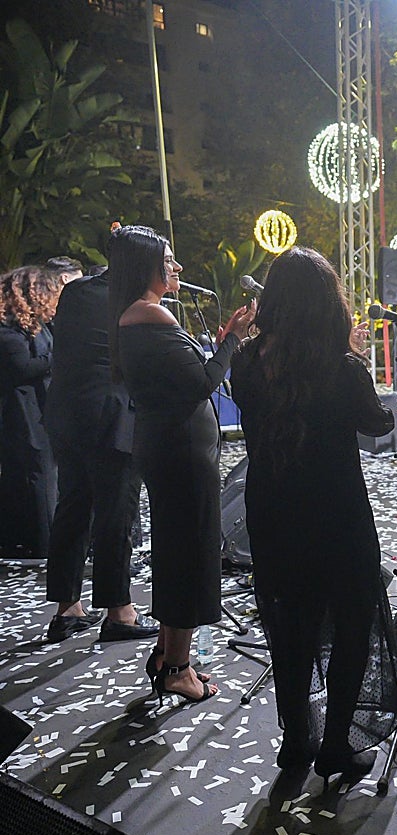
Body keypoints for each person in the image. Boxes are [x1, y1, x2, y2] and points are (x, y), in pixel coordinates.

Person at [230, 247, 397, 786]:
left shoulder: (244, 361)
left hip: (273, 514)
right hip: (336, 514)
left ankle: (294, 743)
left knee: (289, 625)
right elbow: (376, 426)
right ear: (330, 304)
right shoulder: (343, 368)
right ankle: (336, 746)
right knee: (352, 625)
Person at [110, 225, 255, 705]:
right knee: (188, 557)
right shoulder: (150, 317)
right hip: (178, 456)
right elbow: (202, 383)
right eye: (169, 259)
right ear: (146, 266)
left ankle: (168, 654)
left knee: (180, 552)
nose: (177, 268)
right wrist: (232, 340)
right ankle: (177, 666)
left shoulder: (138, 317)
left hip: (170, 449)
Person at [44, 239, 155, 644]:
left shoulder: (76, 290)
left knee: (72, 506)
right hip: (112, 417)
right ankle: (118, 611)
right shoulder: (133, 302)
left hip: (67, 416)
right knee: (115, 513)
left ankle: (67, 607)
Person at [0, 266, 59, 558]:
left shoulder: (36, 327)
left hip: (38, 405)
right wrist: (58, 356)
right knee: (38, 471)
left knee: (43, 472)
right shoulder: (8, 331)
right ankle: (44, 541)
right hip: (22, 409)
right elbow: (23, 368)